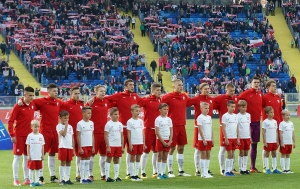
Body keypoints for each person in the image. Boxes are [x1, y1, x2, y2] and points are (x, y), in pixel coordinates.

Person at [104, 79, 142, 178]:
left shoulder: (135, 96)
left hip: (132, 129)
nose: (132, 86)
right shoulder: (119, 95)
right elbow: (107, 99)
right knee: (118, 151)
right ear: (125, 86)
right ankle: (108, 174)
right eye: (130, 85)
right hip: (121, 128)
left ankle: (129, 172)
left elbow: (143, 102)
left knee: (131, 151)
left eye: (133, 85)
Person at [162, 79, 191, 177]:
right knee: (172, 147)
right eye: (179, 85)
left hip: (182, 125)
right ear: (173, 86)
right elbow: (159, 105)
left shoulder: (184, 96)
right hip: (172, 126)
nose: (181, 87)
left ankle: (181, 170)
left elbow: (192, 102)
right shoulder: (168, 97)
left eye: (181, 85)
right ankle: (170, 171)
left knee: (181, 147)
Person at [8, 86, 35, 186]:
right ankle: (15, 179)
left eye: (33, 95)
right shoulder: (17, 106)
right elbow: (10, 121)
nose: (32, 97)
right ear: (25, 95)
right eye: (30, 95)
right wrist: (12, 135)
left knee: (27, 157)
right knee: (17, 157)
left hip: (29, 136)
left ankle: (27, 178)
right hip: (19, 135)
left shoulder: (33, 104)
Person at [87, 85, 113, 181]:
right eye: (101, 91)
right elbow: (84, 110)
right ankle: (90, 174)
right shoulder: (91, 102)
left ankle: (103, 174)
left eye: (104, 91)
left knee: (104, 155)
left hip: (104, 133)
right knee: (92, 154)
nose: (103, 93)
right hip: (94, 133)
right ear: (96, 92)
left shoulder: (106, 102)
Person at [187, 83, 214, 176]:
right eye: (205, 89)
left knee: (207, 150)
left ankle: (206, 169)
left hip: (208, 125)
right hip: (198, 126)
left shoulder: (211, 99)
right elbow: (187, 103)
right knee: (198, 148)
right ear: (201, 90)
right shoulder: (197, 98)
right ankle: (197, 169)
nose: (207, 90)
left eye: (208, 88)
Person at [213, 83, 239, 175]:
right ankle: (222, 168)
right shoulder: (221, 98)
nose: (232, 93)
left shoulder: (236, 98)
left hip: (233, 127)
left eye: (233, 91)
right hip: (224, 127)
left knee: (232, 149)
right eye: (230, 91)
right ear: (226, 90)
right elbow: (211, 102)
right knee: (223, 148)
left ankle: (231, 168)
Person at [60, 86, 84, 182]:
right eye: (75, 93)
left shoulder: (81, 105)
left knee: (80, 154)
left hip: (80, 133)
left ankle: (78, 174)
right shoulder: (65, 105)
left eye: (78, 93)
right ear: (71, 94)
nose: (77, 95)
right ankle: (65, 177)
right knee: (67, 157)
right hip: (69, 134)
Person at [239, 76, 262, 173]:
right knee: (243, 145)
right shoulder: (245, 94)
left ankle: (252, 167)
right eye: (255, 82)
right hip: (247, 123)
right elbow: (237, 102)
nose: (256, 84)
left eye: (258, 82)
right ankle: (241, 167)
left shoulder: (260, 94)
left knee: (255, 145)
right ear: (251, 83)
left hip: (257, 122)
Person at [138, 83, 161, 178]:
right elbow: (137, 104)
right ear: (152, 91)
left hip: (158, 130)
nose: (159, 92)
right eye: (157, 90)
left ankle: (155, 171)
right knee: (146, 151)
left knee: (156, 151)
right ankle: (143, 171)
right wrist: (144, 97)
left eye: (160, 90)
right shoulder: (147, 100)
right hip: (148, 129)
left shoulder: (160, 100)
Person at [261, 80, 282, 172]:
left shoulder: (278, 97)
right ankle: (265, 166)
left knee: (275, 146)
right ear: (268, 87)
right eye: (273, 86)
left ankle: (275, 167)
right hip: (268, 125)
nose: (275, 87)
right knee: (266, 148)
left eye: (275, 86)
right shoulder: (264, 98)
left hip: (277, 124)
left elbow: (279, 111)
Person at [104, 107, 124, 182]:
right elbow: (106, 135)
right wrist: (108, 146)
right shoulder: (108, 124)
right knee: (108, 159)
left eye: (118, 114)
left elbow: (122, 135)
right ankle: (107, 176)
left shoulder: (120, 124)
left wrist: (122, 146)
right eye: (115, 114)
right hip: (111, 145)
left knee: (117, 160)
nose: (117, 116)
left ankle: (116, 176)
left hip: (118, 145)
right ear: (111, 115)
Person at [77, 106, 95, 184]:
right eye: (88, 113)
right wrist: (80, 147)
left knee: (88, 161)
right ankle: (82, 178)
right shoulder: (80, 123)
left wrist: (93, 146)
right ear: (83, 113)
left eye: (90, 113)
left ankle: (86, 177)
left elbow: (92, 135)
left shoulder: (91, 123)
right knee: (83, 161)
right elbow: (78, 136)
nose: (90, 115)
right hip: (83, 145)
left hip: (89, 145)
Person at [155, 103, 173, 179]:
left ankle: (163, 172)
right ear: (160, 110)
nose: (166, 111)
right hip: (160, 140)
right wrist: (163, 141)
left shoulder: (169, 119)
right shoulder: (158, 119)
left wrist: (170, 140)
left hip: (167, 139)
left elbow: (171, 130)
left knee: (165, 157)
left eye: (167, 109)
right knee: (160, 156)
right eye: (164, 109)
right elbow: (157, 131)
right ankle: (158, 173)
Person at [127, 105, 145, 181]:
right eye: (136, 111)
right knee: (132, 158)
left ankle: (136, 174)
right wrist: (130, 144)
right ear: (132, 111)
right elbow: (128, 133)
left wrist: (144, 143)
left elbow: (143, 132)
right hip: (133, 142)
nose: (138, 112)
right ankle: (131, 175)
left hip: (140, 142)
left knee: (138, 158)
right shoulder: (129, 121)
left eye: (139, 111)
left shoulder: (141, 121)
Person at [222, 100, 240, 177]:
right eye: (232, 107)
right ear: (228, 107)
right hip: (228, 138)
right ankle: (226, 171)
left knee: (232, 154)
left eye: (234, 107)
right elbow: (223, 128)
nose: (233, 108)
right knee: (229, 154)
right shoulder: (225, 116)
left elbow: (237, 127)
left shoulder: (235, 116)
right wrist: (226, 138)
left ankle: (230, 170)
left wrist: (238, 138)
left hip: (234, 138)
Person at [56, 110, 74, 185]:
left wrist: (73, 148)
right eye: (64, 118)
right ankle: (62, 179)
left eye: (67, 118)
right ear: (60, 118)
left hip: (69, 147)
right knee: (62, 162)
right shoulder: (59, 126)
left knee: (69, 162)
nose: (66, 120)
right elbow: (63, 134)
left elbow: (72, 137)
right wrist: (66, 126)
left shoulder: (71, 127)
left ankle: (67, 178)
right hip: (62, 146)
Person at [262, 106, 281, 174]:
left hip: (274, 141)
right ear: (267, 113)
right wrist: (264, 141)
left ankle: (274, 168)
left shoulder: (275, 122)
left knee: (274, 153)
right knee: (267, 154)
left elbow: (276, 131)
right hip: (268, 141)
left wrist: (277, 141)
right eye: (271, 112)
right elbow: (263, 132)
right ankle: (267, 168)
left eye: (273, 112)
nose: (273, 114)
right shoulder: (265, 122)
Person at [197, 102, 213, 178]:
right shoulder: (200, 118)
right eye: (205, 108)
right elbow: (200, 129)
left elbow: (211, 128)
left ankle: (206, 171)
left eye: (208, 108)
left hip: (209, 138)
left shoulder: (209, 117)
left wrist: (212, 138)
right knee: (203, 155)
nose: (207, 110)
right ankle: (203, 173)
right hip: (202, 139)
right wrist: (203, 139)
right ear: (201, 109)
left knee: (208, 154)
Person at [26, 120, 44, 187]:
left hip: (38, 156)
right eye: (35, 127)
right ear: (31, 127)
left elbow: (42, 146)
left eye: (38, 127)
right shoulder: (30, 136)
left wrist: (42, 155)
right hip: (32, 156)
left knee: (38, 169)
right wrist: (28, 155)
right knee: (31, 169)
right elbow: (28, 146)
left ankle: (37, 181)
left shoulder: (41, 136)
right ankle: (31, 181)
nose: (36, 128)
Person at [279, 109, 296, 173]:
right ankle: (283, 169)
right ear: (283, 116)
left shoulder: (291, 123)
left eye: (289, 115)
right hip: (284, 142)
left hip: (289, 142)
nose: (288, 116)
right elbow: (280, 133)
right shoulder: (282, 124)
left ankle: (288, 168)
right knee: (283, 154)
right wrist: (282, 142)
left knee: (288, 155)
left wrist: (294, 142)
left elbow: (293, 133)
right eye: (287, 115)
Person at [237, 100, 251, 175]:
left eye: (245, 107)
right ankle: (240, 168)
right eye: (242, 107)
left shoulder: (248, 115)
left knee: (246, 152)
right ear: (239, 107)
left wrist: (250, 137)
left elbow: (248, 126)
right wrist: (238, 138)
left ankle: (244, 168)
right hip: (241, 137)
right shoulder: (237, 116)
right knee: (241, 152)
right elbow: (237, 127)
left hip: (247, 136)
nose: (244, 108)